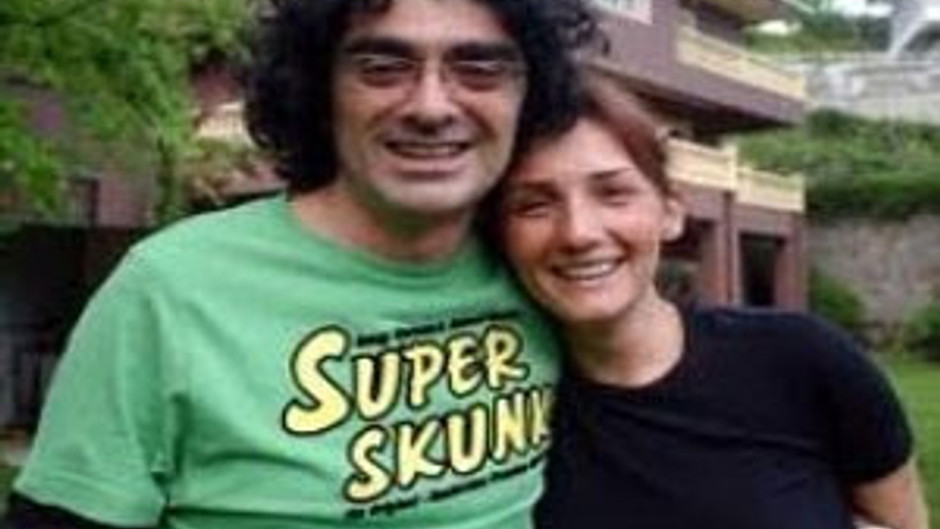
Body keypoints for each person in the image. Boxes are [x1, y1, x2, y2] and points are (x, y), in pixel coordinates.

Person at [2, 1, 600, 527]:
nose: (430, 106)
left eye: (480, 69)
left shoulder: (543, 274)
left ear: (529, 96)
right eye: (382, 67)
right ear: (321, 90)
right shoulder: (171, 288)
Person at [498, 74, 931, 529]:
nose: (578, 233)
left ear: (670, 212)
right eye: (534, 205)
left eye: (613, 193)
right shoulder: (500, 412)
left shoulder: (802, 360)